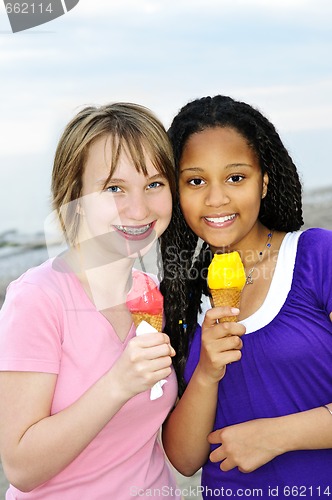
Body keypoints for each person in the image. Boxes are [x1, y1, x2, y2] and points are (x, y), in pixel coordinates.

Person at [0, 102, 182, 499]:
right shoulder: (37, 300)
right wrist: (118, 383)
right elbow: (20, 466)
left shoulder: (153, 293)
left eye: (154, 184)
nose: (139, 209)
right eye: (114, 188)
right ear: (74, 196)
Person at [160, 95, 332, 498]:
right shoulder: (180, 299)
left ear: (264, 180)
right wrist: (205, 373)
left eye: (235, 177)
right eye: (196, 181)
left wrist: (276, 436)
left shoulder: (316, 257)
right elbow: (185, 460)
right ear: (175, 191)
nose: (216, 199)